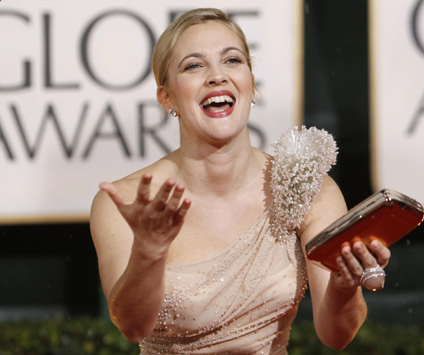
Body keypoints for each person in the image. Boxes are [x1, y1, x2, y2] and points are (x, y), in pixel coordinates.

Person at [90, 8, 391, 354]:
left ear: (250, 81)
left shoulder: (307, 187)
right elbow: (131, 326)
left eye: (232, 60)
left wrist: (343, 286)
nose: (217, 76)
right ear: (167, 97)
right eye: (193, 65)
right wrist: (149, 251)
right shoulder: (125, 202)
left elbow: (337, 335)